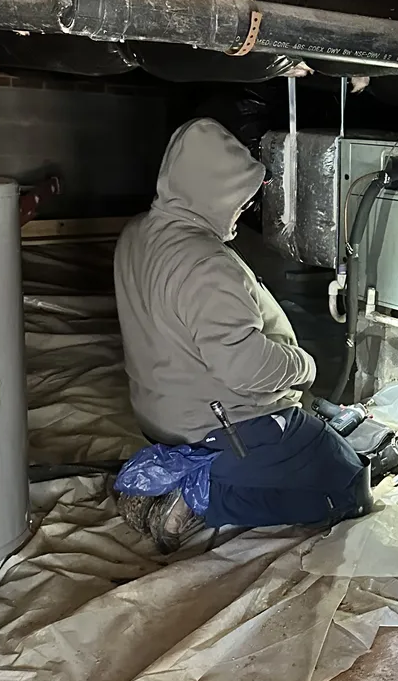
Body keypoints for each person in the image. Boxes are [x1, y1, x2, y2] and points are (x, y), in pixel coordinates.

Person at [113, 118, 369, 550]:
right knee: (346, 485)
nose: (241, 210)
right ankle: (199, 496)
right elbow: (244, 367)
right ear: (214, 191)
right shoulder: (207, 263)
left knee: (315, 441)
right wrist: (302, 366)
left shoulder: (138, 233)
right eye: (239, 199)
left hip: (162, 416)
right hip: (224, 424)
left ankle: (176, 472)